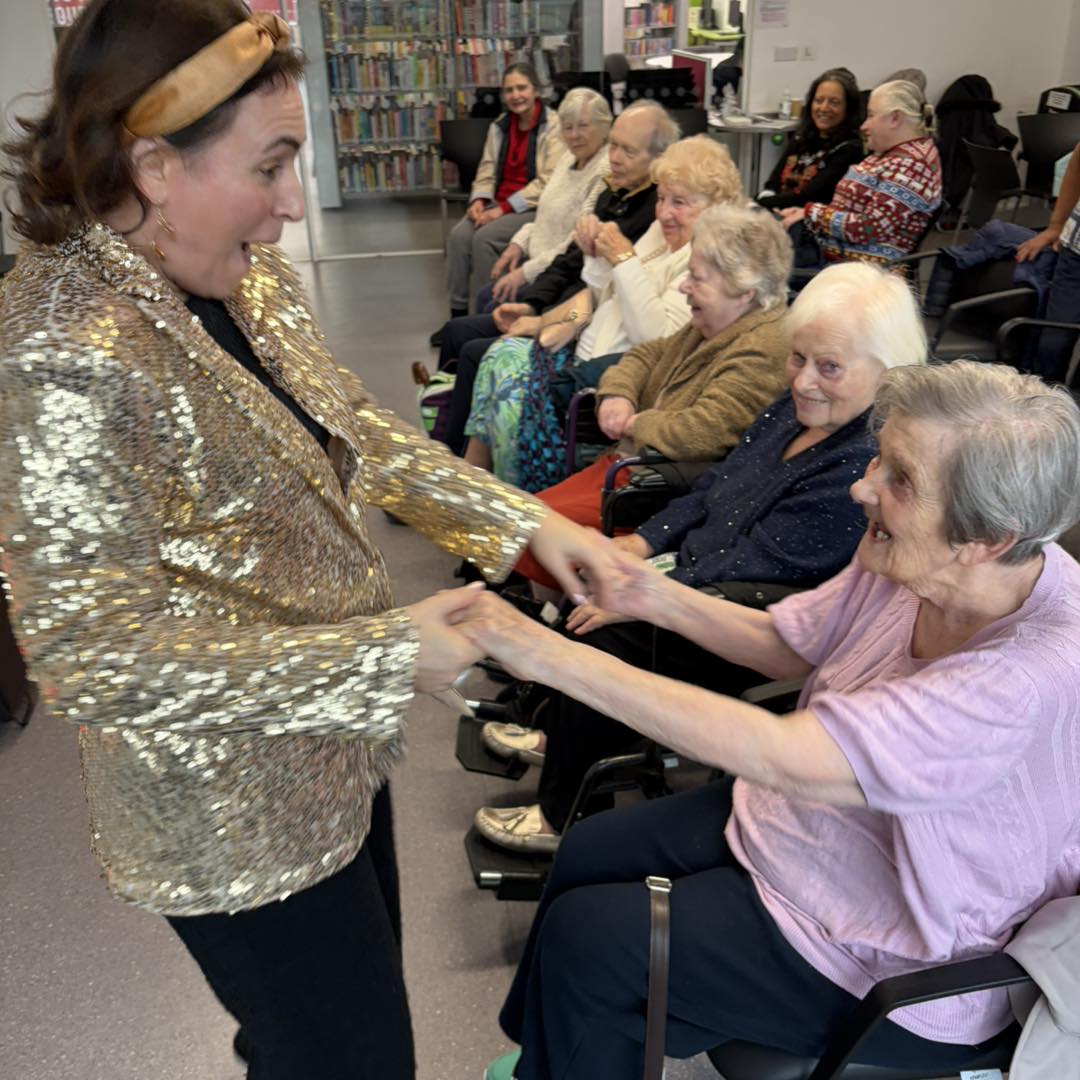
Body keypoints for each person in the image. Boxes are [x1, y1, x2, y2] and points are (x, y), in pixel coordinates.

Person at [0, 4, 621, 1078]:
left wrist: (519, 523)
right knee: (343, 1055)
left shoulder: (239, 278)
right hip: (227, 809)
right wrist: (382, 654)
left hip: (335, 749)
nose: (293, 203)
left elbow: (363, 435)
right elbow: (96, 661)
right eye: (272, 165)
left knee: (350, 1040)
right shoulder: (63, 347)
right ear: (154, 164)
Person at [460, 361, 1080, 1080]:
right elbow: (790, 640)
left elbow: (790, 753)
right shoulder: (912, 555)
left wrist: (550, 657)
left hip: (898, 943)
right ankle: (559, 1050)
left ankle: (574, 1043)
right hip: (807, 830)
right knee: (588, 850)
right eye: (879, 456)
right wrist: (649, 595)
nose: (862, 485)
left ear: (990, 540)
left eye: (899, 479)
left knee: (591, 944)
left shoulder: (1024, 675)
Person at [480, 261, 927, 850]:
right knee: (590, 569)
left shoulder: (860, 465)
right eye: (799, 358)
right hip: (697, 574)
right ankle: (557, 732)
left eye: (830, 367)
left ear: (888, 372)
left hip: (750, 617)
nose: (804, 381)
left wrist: (646, 594)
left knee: (605, 632)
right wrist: (639, 545)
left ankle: (564, 817)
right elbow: (715, 487)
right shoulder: (791, 412)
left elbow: (762, 569)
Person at [464, 135, 745, 488]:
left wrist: (624, 260)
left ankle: (502, 492)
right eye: (660, 199)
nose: (663, 213)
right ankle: (476, 478)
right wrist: (596, 258)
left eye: (680, 202)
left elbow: (659, 338)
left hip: (612, 378)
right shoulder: (661, 232)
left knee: (506, 380)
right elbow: (601, 294)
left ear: (715, 205)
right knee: (497, 355)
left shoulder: (705, 258)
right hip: (580, 348)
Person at [507, 202, 792, 543]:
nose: (685, 286)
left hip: (660, 494)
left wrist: (632, 422)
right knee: (525, 520)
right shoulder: (716, 321)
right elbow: (645, 353)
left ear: (745, 293)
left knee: (529, 529)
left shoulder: (763, 347)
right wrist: (617, 394)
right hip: (630, 469)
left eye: (697, 279)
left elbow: (703, 432)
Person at [435, 100, 676, 455]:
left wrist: (546, 319)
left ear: (659, 159)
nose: (615, 157)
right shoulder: (615, 191)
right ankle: (443, 437)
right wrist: (533, 304)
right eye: (614, 145)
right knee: (462, 332)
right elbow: (575, 262)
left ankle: (454, 461)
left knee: (476, 352)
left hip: (583, 333)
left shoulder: (654, 216)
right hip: (571, 311)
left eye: (628, 150)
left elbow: (601, 299)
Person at [432, 62, 563, 343]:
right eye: (509, 90)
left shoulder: (553, 126)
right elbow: (487, 169)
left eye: (522, 88)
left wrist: (502, 209)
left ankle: (485, 318)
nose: (516, 95)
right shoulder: (499, 126)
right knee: (458, 237)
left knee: (484, 239)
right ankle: (457, 316)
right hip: (497, 205)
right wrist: (479, 200)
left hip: (530, 207)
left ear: (536, 91)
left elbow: (546, 182)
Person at [779, 79, 943, 266]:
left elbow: (867, 229)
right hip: (831, 252)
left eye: (871, 116)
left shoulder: (913, 166)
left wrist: (810, 213)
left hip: (854, 270)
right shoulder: (890, 154)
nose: (864, 126)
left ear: (895, 118)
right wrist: (807, 214)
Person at [480, 88, 612, 311]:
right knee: (486, 295)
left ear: (604, 126)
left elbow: (574, 244)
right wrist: (518, 243)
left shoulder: (604, 170)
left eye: (583, 126)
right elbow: (545, 217)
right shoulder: (568, 158)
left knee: (491, 304)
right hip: (537, 262)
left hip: (561, 276)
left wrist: (525, 273)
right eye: (567, 127)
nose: (574, 135)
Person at [1016, 140, 1080, 384]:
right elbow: (1077, 162)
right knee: (1053, 343)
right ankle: (1045, 409)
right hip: (1075, 253)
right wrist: (1056, 225)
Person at [756, 68, 864, 211]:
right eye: (819, 100)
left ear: (848, 109)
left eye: (834, 102)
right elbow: (773, 182)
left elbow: (808, 197)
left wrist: (758, 202)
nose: (824, 108)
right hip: (778, 209)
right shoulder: (801, 137)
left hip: (809, 221)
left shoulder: (851, 148)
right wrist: (763, 199)